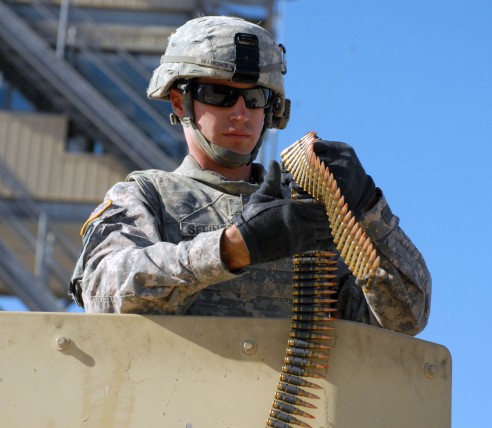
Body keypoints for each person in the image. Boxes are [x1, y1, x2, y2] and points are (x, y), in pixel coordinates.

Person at [69, 16, 431, 336]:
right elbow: (104, 292)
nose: (240, 113)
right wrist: (232, 248)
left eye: (255, 98)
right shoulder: (147, 195)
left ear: (272, 110)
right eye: (219, 94)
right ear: (181, 103)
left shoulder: (308, 212)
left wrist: (370, 208)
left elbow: (406, 317)